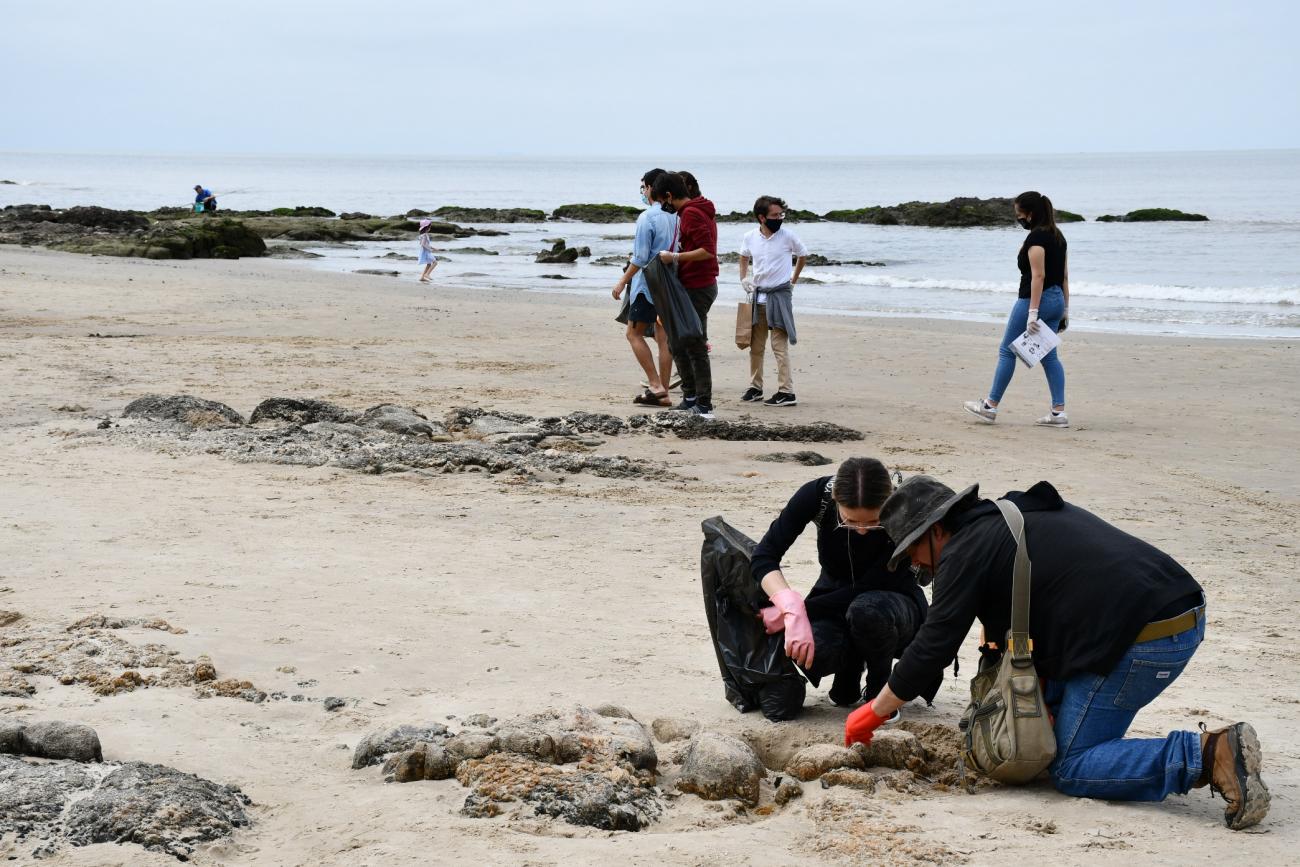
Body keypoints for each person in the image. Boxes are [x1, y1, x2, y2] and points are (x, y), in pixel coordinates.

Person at [845, 475, 1270, 830]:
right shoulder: (1007, 516)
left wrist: (875, 711)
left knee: (1071, 767)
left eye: (915, 555)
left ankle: (1207, 755)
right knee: (1042, 721)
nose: (919, 568)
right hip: (1178, 610)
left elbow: (934, 644)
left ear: (935, 530)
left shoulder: (963, 550)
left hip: (1148, 640)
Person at [751, 458, 937, 710]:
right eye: (850, 521)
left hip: (894, 603)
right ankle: (848, 675)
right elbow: (764, 556)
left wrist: (804, 610)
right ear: (837, 501)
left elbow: (868, 585)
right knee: (808, 649)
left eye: (872, 523)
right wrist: (789, 605)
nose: (861, 531)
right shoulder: (817, 497)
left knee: (865, 611)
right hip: (833, 595)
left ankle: (879, 692)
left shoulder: (904, 508)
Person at [965, 191, 1069, 427]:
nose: (1018, 218)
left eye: (1019, 213)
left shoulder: (1036, 239)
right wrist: (1065, 310)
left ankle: (990, 406)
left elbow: (1038, 276)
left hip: (1035, 300)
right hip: (1056, 300)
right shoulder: (1058, 236)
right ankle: (1058, 413)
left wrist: (1032, 312)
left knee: (1006, 351)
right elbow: (1064, 276)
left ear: (1030, 214)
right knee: (1050, 356)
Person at [653, 171, 718, 418]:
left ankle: (703, 403)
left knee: (694, 344)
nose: (662, 206)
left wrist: (675, 257)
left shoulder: (691, 213)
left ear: (669, 196)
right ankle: (690, 397)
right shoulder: (687, 213)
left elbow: (707, 251)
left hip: (698, 286)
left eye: (661, 201)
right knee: (676, 342)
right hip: (687, 285)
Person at [612, 169, 677, 406]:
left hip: (647, 284)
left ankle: (656, 384)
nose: (642, 192)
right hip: (671, 284)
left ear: (651, 188)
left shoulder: (648, 217)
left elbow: (640, 257)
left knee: (633, 333)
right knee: (664, 338)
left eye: (643, 187)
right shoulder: (678, 216)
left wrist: (622, 281)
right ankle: (664, 392)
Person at [739, 196, 808, 407]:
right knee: (756, 346)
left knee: (779, 346)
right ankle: (755, 387)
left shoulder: (788, 236)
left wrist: (792, 281)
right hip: (758, 296)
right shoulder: (750, 237)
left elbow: (803, 255)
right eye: (775, 215)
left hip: (780, 296)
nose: (779, 218)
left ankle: (786, 391)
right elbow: (743, 256)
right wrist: (744, 278)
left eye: (781, 215)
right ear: (762, 217)